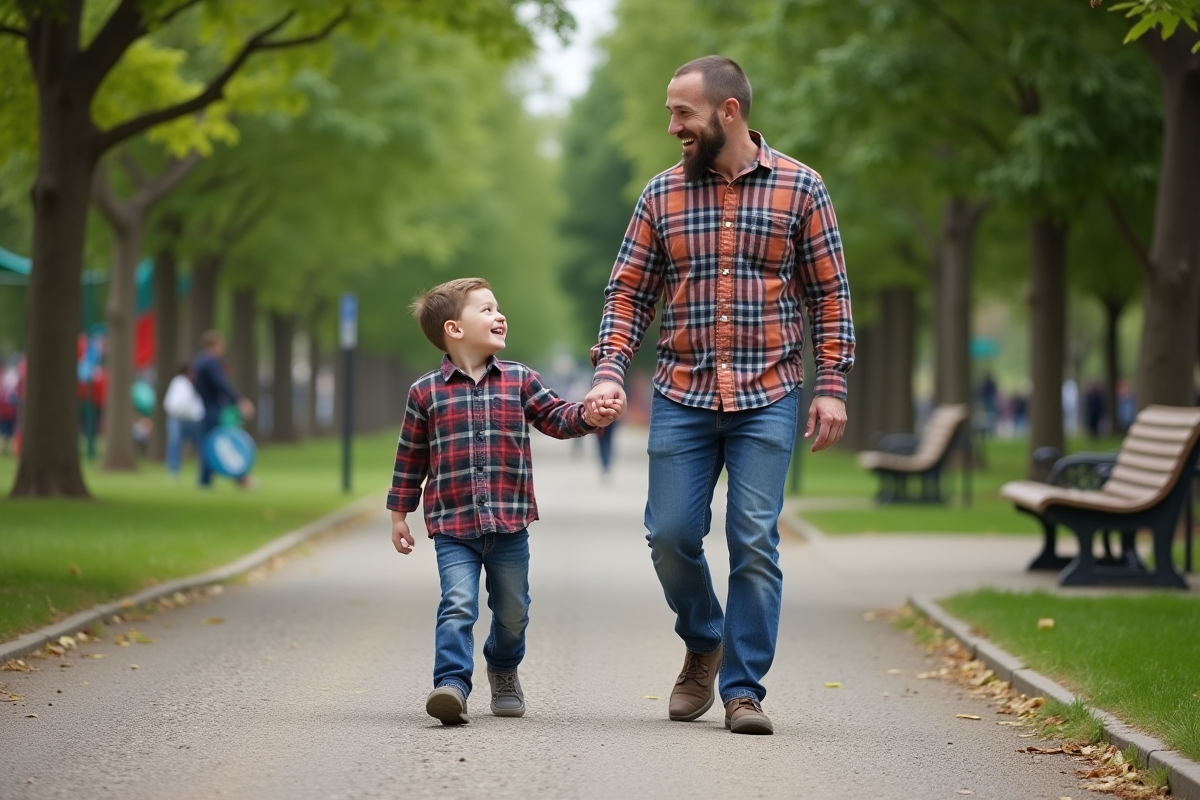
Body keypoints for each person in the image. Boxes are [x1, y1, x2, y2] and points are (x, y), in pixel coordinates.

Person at [585, 56, 855, 736]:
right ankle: (705, 637)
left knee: (754, 539)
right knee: (670, 534)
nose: (672, 124)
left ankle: (743, 690)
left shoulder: (802, 189)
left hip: (769, 391)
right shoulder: (661, 195)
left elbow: (830, 295)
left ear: (728, 112)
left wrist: (832, 385)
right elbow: (628, 293)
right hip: (683, 391)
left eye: (683, 112)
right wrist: (611, 369)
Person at [387, 278, 621, 726]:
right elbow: (410, 456)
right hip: (453, 525)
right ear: (454, 329)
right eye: (488, 310)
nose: (500, 316)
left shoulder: (519, 379)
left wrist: (588, 416)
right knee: (458, 603)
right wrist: (399, 513)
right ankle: (451, 684)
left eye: (499, 309)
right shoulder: (425, 392)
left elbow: (555, 417)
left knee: (513, 611)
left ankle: (504, 666)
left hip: (510, 524)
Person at [191, 330, 255, 488]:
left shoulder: (198, 361)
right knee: (227, 439)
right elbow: (221, 385)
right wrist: (239, 400)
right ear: (216, 345)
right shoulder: (211, 362)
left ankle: (205, 480)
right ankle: (239, 476)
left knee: (207, 443)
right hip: (214, 408)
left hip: (203, 407)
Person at [163, 363, 205, 482]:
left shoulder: (194, 384)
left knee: (200, 446)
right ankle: (174, 473)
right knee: (175, 446)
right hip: (178, 419)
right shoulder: (178, 383)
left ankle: (203, 474)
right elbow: (173, 403)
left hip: (193, 421)